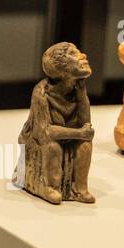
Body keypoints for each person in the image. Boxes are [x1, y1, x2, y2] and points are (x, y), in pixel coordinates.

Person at [15, 42, 95, 205]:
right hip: (39, 139)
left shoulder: (78, 87)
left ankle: (79, 188)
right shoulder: (42, 92)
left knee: (85, 145)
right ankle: (50, 187)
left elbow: (85, 122)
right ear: (62, 68)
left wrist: (82, 96)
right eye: (74, 54)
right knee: (53, 147)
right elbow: (46, 132)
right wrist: (79, 133)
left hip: (67, 135)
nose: (83, 56)